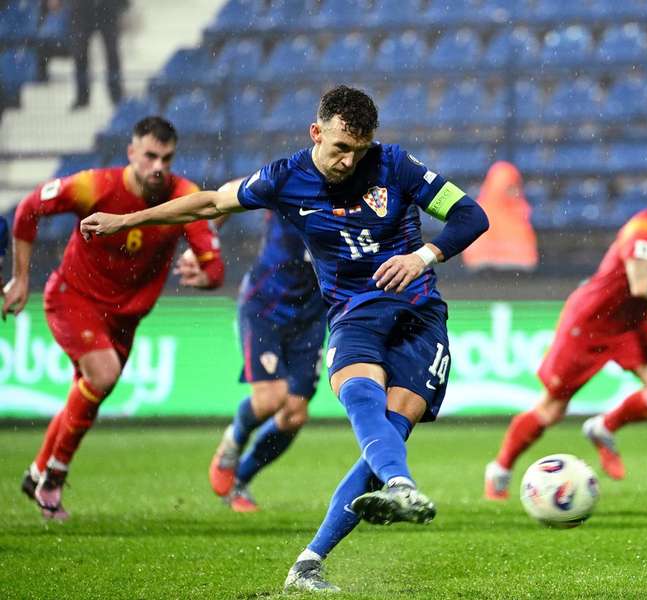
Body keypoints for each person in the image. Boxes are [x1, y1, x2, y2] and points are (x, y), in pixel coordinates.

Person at [80, 85, 489, 592]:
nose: (347, 161)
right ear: (316, 132)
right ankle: (398, 485)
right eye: (340, 147)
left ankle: (309, 561)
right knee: (359, 394)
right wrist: (125, 220)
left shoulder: (396, 165)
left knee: (391, 430)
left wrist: (423, 256)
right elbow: (207, 203)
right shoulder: (284, 177)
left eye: (358, 151)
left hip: (419, 314)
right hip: (353, 313)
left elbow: (472, 214)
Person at [3, 116, 224, 521]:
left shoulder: (182, 196)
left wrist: (203, 274)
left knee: (88, 392)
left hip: (125, 318)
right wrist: (19, 279)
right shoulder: (95, 186)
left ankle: (36, 471)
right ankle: (52, 479)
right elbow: (28, 210)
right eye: (150, 156)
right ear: (132, 153)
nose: (158, 166)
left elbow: (215, 268)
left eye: (167, 158)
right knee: (101, 376)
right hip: (74, 298)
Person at [484, 163, 647, 498]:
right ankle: (500, 469)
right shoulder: (642, 230)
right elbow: (642, 282)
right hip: (589, 322)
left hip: (632, 323)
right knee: (552, 409)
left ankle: (603, 427)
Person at [196, 190, 328, 513]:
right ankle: (230, 446)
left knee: (295, 413)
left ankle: (240, 479)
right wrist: (204, 247)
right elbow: (225, 195)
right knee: (270, 398)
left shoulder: (353, 195)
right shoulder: (289, 180)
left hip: (311, 317)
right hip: (265, 307)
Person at [462, 160, 538, 272]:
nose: (515, 191)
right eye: (510, 187)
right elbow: (474, 259)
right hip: (485, 278)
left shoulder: (520, 211)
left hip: (519, 278)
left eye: (516, 185)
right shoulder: (480, 215)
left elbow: (528, 259)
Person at [70, 0, 128, 109]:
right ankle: (82, 96)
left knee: (112, 53)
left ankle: (116, 94)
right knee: (80, 53)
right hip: (83, 8)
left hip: (107, 7)